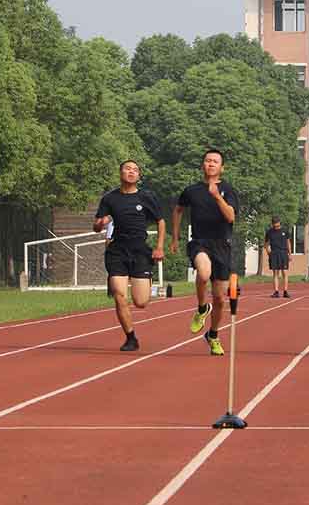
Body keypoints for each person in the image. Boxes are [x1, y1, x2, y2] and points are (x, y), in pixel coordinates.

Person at [170, 149, 237, 356]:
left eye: (215, 161)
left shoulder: (228, 190)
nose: (211, 164)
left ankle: (213, 335)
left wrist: (217, 197)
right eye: (207, 161)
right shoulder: (191, 190)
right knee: (204, 272)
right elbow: (178, 209)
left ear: (221, 167)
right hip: (199, 242)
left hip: (222, 245)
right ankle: (201, 308)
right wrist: (175, 236)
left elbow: (231, 217)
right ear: (203, 165)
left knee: (219, 298)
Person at [93, 160, 165, 352]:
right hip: (117, 251)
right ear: (120, 173)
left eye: (135, 170)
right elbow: (97, 225)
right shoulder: (109, 198)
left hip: (140, 250)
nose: (131, 172)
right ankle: (130, 337)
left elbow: (161, 221)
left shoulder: (147, 197)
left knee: (141, 302)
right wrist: (99, 225)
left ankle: (147, 281)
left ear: (139, 176)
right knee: (119, 295)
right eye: (127, 169)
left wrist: (159, 247)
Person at [265, 217, 292, 298]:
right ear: (272, 224)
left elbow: (288, 243)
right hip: (274, 253)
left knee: (285, 272)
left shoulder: (285, 231)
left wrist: (290, 254)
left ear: (279, 222)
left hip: (283, 253)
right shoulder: (269, 232)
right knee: (275, 273)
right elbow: (266, 244)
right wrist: (268, 252)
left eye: (277, 224)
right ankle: (276, 291)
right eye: (274, 224)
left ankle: (285, 291)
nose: (276, 226)